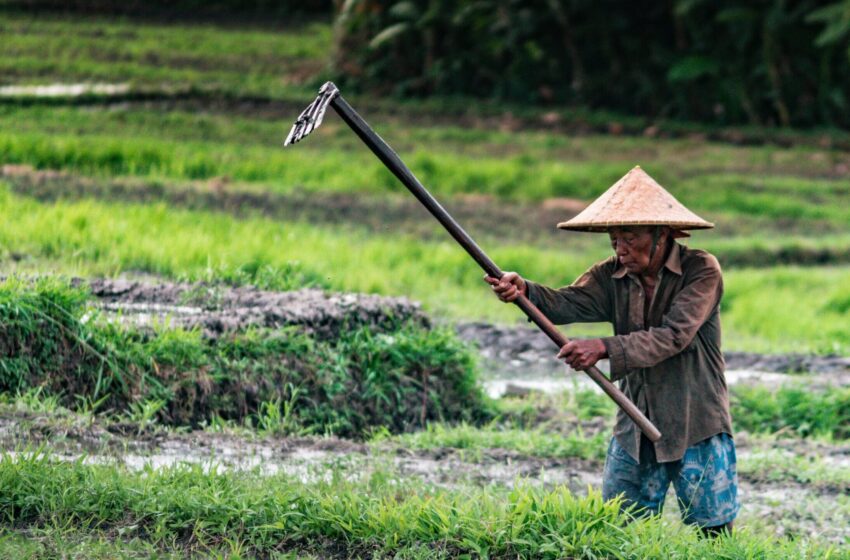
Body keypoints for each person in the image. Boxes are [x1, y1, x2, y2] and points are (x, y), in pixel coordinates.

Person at [486, 166, 738, 536]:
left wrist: (604, 347)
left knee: (713, 530)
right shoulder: (611, 274)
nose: (620, 249)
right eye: (614, 239)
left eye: (630, 239)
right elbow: (567, 303)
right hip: (635, 415)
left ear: (661, 234)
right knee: (618, 527)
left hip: (695, 416)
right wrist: (526, 291)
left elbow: (674, 335)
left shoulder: (701, 270)